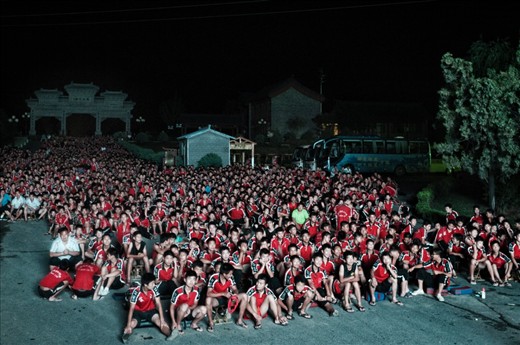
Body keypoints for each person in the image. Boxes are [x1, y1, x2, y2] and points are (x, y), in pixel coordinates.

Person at [122, 273, 171, 344]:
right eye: (152, 283)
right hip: (138, 312)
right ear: (145, 284)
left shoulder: (154, 289)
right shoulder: (136, 292)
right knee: (132, 324)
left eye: (154, 283)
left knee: (160, 323)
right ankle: (125, 334)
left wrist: (162, 320)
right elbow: (131, 309)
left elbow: (158, 304)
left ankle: (170, 334)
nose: (154, 285)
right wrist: (128, 325)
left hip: (150, 310)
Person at [205, 263, 248, 332]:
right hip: (216, 299)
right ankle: (211, 323)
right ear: (224, 274)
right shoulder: (214, 277)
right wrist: (223, 293)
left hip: (228, 298)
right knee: (208, 299)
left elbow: (235, 289)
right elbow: (208, 293)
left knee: (244, 296)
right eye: (230, 274)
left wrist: (235, 293)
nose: (231, 275)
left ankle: (239, 320)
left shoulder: (231, 277)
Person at [168, 270, 207, 339]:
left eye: (193, 279)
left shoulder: (196, 289)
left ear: (196, 281)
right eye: (189, 279)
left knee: (204, 309)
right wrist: (173, 321)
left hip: (189, 311)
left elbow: (195, 304)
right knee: (184, 306)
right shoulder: (178, 291)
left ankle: (194, 324)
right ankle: (178, 324)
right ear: (185, 279)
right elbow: (171, 307)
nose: (191, 282)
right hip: (178, 312)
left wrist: (189, 309)